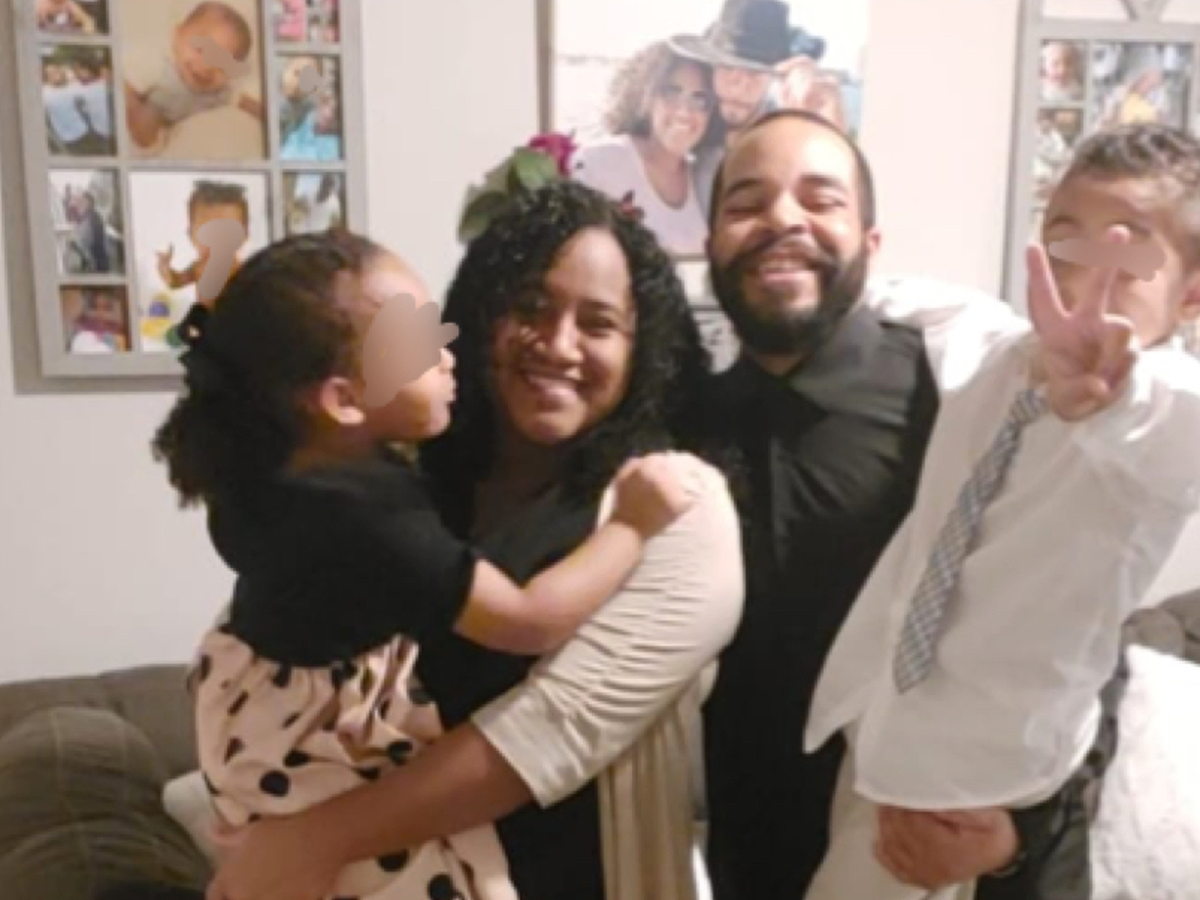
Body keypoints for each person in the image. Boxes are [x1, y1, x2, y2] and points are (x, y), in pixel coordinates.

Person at [201, 179, 743, 900]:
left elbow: (553, 730)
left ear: (643, 348)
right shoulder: (399, 478)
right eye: (531, 308)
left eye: (599, 323)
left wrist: (311, 840)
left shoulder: (670, 501)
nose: (559, 345)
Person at [699, 109, 1135, 900]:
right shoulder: (681, 429)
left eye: (821, 199)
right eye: (746, 203)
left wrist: (1014, 833)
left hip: (972, 862)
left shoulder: (973, 398)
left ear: (871, 243)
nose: (782, 219)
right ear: (711, 247)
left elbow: (1080, 630)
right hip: (758, 865)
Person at [802, 122, 1200, 900]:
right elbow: (912, 298)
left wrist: (1109, 397)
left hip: (982, 781)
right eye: (1066, 242)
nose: (1083, 279)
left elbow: (1170, 427)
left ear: (1190, 291)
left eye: (1126, 258)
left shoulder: (1163, 406)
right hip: (878, 723)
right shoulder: (994, 349)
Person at [669, 0, 834, 213]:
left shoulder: (790, 137)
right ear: (712, 68)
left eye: (754, 72)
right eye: (728, 67)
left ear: (773, 76)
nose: (739, 85)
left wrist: (826, 121)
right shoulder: (691, 125)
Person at [575, 42, 721, 256]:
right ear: (648, 97)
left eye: (700, 99)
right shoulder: (601, 161)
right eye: (671, 92)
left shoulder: (706, 180)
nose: (684, 111)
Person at [124, 1, 265, 150]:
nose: (206, 67)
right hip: (142, 107)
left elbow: (242, 101)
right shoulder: (159, 65)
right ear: (177, 35)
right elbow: (126, 82)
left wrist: (268, 116)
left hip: (166, 132)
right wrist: (132, 105)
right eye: (200, 50)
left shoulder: (219, 92)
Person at [157, 180, 251, 324]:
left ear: (244, 236)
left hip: (235, 321)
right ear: (191, 235)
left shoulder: (241, 270)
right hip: (205, 321)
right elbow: (175, 282)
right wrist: (164, 268)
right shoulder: (198, 267)